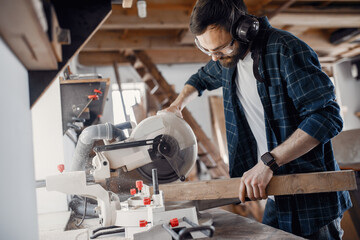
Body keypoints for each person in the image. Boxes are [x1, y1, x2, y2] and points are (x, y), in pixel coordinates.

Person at [164, 0, 352, 239]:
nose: (213, 57)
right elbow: (199, 79)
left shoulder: (285, 49)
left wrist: (268, 162)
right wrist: (176, 105)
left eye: (220, 48)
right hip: (275, 196)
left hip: (308, 198)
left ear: (244, 28)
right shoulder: (226, 61)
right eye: (206, 50)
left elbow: (326, 115)